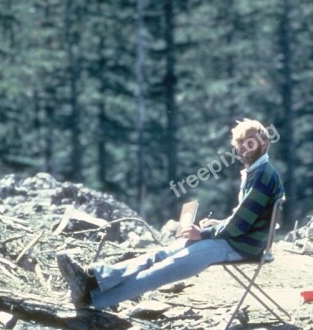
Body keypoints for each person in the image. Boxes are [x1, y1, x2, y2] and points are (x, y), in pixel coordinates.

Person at [57, 118, 285, 309]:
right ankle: (93, 279)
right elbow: (243, 216)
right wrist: (216, 224)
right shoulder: (256, 171)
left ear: (264, 145)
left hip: (242, 245)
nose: (244, 148)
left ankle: (92, 299)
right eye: (241, 143)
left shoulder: (263, 175)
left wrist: (204, 234)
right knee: (159, 256)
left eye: (250, 144)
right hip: (238, 240)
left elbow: (240, 223)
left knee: (163, 270)